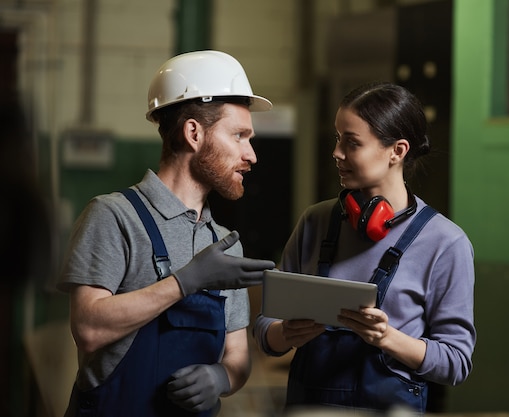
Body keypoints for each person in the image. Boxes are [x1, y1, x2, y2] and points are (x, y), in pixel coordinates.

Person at [57, 50, 276, 417]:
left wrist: (221, 377)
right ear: (193, 133)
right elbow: (88, 328)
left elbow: (237, 356)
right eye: (239, 136)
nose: (251, 155)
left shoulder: (223, 244)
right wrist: (185, 282)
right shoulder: (113, 216)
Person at [254, 82, 476, 414]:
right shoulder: (315, 222)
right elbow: (264, 329)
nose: (337, 153)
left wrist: (387, 338)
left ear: (397, 151)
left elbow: (455, 363)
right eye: (337, 138)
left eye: (352, 142)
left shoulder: (446, 243)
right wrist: (284, 334)